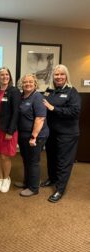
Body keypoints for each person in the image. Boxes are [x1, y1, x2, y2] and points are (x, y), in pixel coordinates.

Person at [41, 64, 81, 203]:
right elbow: (42, 105)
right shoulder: (49, 91)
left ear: (66, 76)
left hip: (67, 134)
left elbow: (74, 111)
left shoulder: (72, 92)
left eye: (61, 74)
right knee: (51, 157)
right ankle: (52, 179)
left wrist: (53, 108)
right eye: (56, 74)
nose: (58, 77)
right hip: (51, 132)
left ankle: (60, 189)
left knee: (64, 162)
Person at [0, 66, 21, 193]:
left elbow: (15, 113)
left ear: (10, 77)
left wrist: (10, 131)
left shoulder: (14, 91)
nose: (4, 77)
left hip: (7, 129)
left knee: (5, 156)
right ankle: (0, 178)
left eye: (7, 74)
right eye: (2, 75)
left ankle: (7, 178)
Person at [17, 74, 49, 196]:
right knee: (26, 159)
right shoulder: (22, 96)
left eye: (30, 82)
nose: (28, 84)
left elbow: (40, 118)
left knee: (33, 161)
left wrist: (34, 136)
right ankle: (27, 182)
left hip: (36, 136)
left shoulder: (37, 97)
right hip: (24, 134)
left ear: (35, 84)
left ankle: (34, 188)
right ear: (22, 84)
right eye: (25, 82)